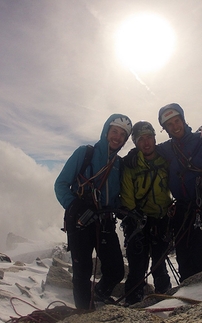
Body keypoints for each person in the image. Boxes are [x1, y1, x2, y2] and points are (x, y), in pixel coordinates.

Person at [54, 114, 132, 309]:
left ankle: (98, 295)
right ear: (106, 131)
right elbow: (61, 184)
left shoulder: (118, 164)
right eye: (114, 131)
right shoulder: (85, 153)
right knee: (82, 271)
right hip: (80, 221)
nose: (117, 137)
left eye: (122, 134)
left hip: (104, 221)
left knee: (115, 270)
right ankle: (84, 313)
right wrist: (75, 205)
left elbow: (113, 195)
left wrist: (121, 206)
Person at [156, 103, 202, 282]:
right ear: (165, 129)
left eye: (177, 121)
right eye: (170, 124)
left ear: (183, 120)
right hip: (182, 209)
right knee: (184, 257)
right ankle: (191, 292)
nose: (175, 127)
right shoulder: (166, 149)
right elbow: (148, 152)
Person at [120, 121, 172, 305]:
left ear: (155, 138)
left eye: (149, 137)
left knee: (159, 263)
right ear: (135, 142)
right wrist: (134, 218)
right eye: (141, 139)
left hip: (161, 219)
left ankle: (165, 299)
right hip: (137, 221)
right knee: (137, 266)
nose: (146, 142)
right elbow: (127, 196)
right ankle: (133, 301)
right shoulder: (130, 165)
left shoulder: (165, 159)